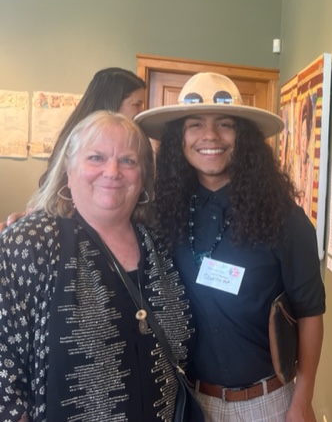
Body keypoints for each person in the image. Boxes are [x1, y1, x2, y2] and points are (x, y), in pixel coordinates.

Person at [136, 72, 326, 422]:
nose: (210, 135)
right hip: (191, 401)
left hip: (267, 403)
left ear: (245, 137)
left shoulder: (283, 218)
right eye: (195, 124)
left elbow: (310, 313)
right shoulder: (164, 214)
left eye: (225, 124)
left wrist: (303, 400)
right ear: (179, 138)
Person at [0, 111, 194, 421]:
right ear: (69, 168)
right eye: (96, 158)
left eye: (127, 161)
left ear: (143, 175)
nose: (112, 171)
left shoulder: (158, 242)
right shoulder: (31, 242)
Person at [1, 67, 146, 230]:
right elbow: (54, 199)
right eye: (137, 104)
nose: (142, 111)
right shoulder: (75, 139)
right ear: (113, 102)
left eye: (127, 160)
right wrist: (31, 222)